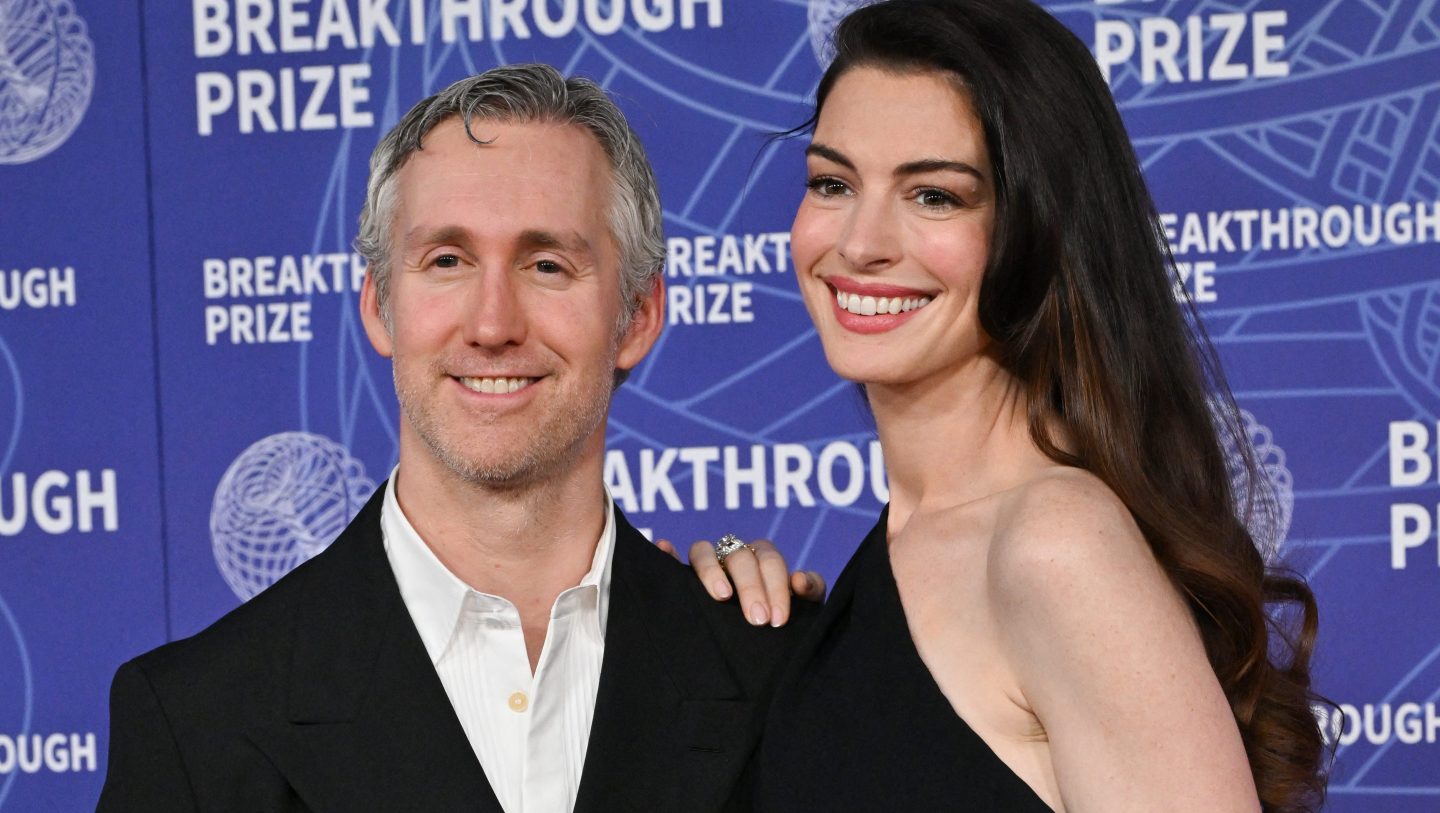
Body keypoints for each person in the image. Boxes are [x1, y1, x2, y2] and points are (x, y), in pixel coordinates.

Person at [98, 64, 812, 813]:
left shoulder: (783, 673)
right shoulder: (194, 721)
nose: (493, 324)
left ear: (636, 315)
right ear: (379, 306)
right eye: (447, 261)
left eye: (546, 264)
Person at [691, 1, 1328, 810]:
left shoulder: (1053, 542)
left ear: (1041, 227)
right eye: (832, 182)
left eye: (935, 197)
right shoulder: (905, 543)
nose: (860, 242)